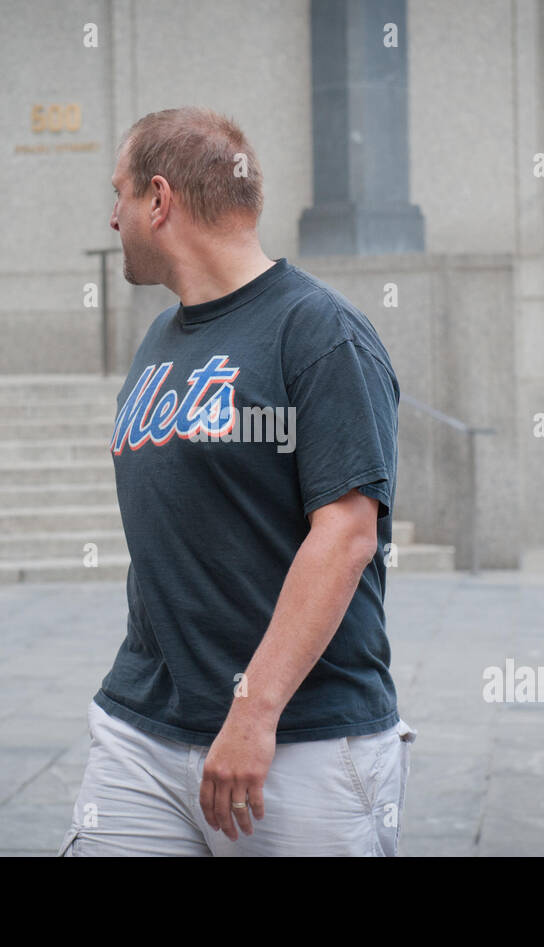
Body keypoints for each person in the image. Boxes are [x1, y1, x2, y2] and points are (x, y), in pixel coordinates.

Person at [59, 107, 415, 857]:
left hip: (300, 741)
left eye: (118, 193)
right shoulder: (162, 337)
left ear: (159, 200)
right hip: (143, 729)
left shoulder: (320, 333)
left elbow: (348, 534)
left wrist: (254, 712)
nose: (111, 216)